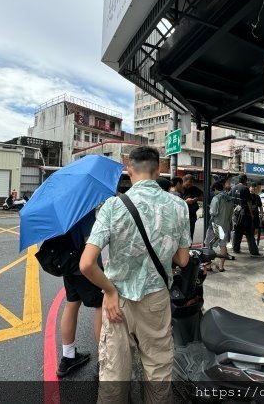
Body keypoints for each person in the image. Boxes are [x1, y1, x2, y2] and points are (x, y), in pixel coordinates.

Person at [80, 146, 191, 404]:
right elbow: (183, 259)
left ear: (129, 169)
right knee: (158, 371)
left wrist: (108, 291)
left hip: (117, 303)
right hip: (157, 299)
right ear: (159, 169)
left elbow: (87, 264)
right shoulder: (178, 206)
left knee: (114, 375)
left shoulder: (113, 206)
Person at [46, 209, 103, 377]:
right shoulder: (84, 211)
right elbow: (90, 242)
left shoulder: (62, 211)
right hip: (87, 268)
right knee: (101, 306)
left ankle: (68, 356)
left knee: (72, 304)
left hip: (68, 266)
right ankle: (105, 361)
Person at [204, 179, 233, 272]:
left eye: (214, 190)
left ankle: (208, 266)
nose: (214, 192)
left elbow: (213, 212)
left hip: (215, 225)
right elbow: (231, 213)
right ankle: (221, 266)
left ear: (216, 189)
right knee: (223, 245)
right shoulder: (229, 198)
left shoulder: (217, 198)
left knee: (208, 244)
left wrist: (210, 208)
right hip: (225, 226)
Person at [231, 174, 261, 256]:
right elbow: (249, 202)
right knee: (249, 233)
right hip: (245, 214)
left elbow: (230, 201)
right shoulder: (245, 188)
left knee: (237, 232)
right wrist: (252, 215)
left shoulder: (233, 188)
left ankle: (236, 249)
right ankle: (254, 251)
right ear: (245, 180)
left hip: (235, 214)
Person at [182, 174, 203, 241]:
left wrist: (195, 200)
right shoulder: (180, 189)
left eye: (191, 183)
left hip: (191, 216)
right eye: (188, 184)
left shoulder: (193, 188)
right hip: (182, 216)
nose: (190, 185)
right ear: (183, 181)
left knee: (190, 235)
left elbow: (202, 196)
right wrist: (186, 202)